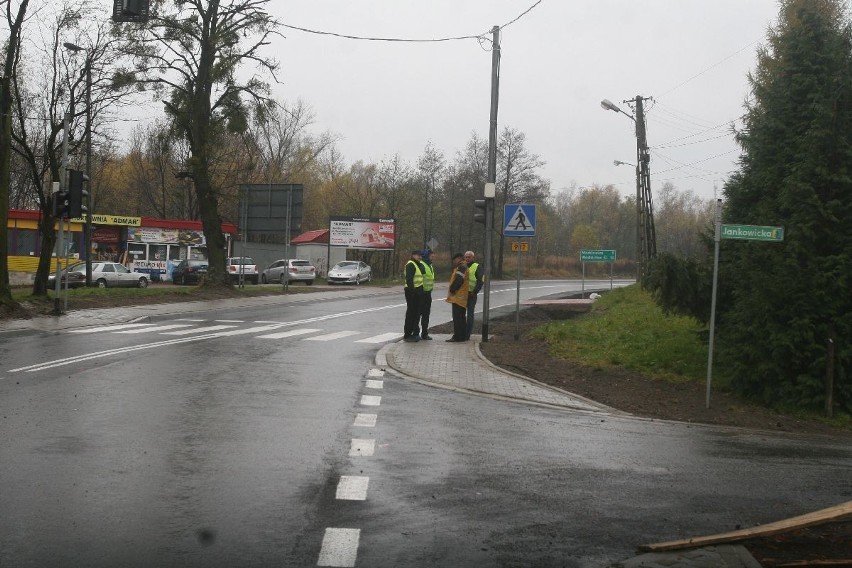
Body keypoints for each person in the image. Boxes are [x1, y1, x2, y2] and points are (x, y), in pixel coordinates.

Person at [445, 252, 469, 342]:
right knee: (461, 318)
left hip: (458, 297)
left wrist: (452, 290)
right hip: (461, 298)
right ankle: (462, 336)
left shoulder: (462, 267)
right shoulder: (464, 267)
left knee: (457, 318)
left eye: (455, 260)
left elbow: (459, 280)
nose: (454, 262)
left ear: (459, 258)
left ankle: (458, 337)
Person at [402, 250, 425, 342]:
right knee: (411, 313)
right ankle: (408, 334)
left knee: (416, 313)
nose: (420, 257)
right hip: (412, 292)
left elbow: (422, 272)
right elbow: (409, 279)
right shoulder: (411, 264)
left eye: (421, 256)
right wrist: (413, 292)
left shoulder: (417, 264)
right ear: (413, 255)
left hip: (417, 291)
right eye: (418, 255)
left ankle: (413, 333)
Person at [464, 250, 484, 340]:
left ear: (473, 258)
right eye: (466, 257)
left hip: (471, 294)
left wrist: (475, 292)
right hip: (462, 295)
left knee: (470, 314)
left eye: (469, 257)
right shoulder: (462, 266)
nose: (467, 258)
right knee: (461, 314)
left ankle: (467, 334)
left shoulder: (477, 267)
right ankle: (462, 332)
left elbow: (481, 281)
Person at [419, 249, 435, 340]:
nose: (433, 259)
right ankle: (416, 333)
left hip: (428, 294)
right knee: (418, 314)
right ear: (426, 256)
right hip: (421, 294)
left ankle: (424, 333)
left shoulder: (430, 266)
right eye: (431, 257)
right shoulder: (422, 265)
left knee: (426, 314)